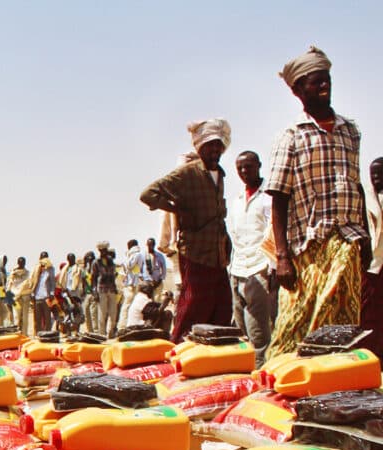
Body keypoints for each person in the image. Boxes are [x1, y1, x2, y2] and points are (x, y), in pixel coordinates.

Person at [265, 47, 370, 357]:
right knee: (297, 321)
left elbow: (356, 185)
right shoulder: (291, 136)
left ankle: (335, 383)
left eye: (327, 80)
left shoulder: (351, 131)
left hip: (348, 239)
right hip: (308, 247)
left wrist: (364, 235)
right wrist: (282, 255)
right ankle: (283, 376)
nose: (324, 86)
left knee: (343, 320)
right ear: (298, 90)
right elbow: (279, 198)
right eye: (316, 82)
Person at [141, 118, 233, 342]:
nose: (214, 150)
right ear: (199, 147)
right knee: (193, 306)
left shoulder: (220, 175)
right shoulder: (187, 173)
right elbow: (148, 194)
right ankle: (179, 351)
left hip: (218, 254)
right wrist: (176, 208)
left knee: (222, 308)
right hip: (195, 252)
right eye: (209, 145)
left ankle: (212, 356)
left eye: (217, 145)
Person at [227, 150, 276, 366]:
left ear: (259, 166)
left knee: (258, 331)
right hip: (237, 269)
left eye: (249, 166)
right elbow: (235, 236)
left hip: (259, 268)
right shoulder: (237, 200)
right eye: (240, 168)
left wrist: (272, 267)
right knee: (241, 330)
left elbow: (273, 233)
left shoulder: (268, 197)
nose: (244, 171)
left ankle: (260, 375)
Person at [362, 158, 383, 358]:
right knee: (370, 315)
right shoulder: (365, 198)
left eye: (380, 173)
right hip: (372, 265)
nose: (376, 178)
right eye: (373, 174)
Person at [117, 240, 147, 329]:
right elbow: (135, 270)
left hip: (131, 285)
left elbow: (130, 266)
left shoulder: (136, 255)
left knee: (126, 306)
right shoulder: (133, 255)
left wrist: (124, 263)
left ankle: (122, 326)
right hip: (131, 283)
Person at [94, 244, 119, 337]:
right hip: (102, 289)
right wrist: (95, 293)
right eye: (102, 250)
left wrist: (115, 288)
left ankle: (111, 332)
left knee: (113, 313)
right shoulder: (96, 262)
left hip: (112, 289)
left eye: (105, 250)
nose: (103, 252)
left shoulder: (110, 261)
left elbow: (113, 276)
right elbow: (94, 278)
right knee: (102, 313)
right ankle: (102, 334)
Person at [28, 252, 55, 334]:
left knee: (47, 318)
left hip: (46, 297)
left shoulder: (51, 269)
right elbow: (32, 282)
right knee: (37, 318)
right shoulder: (36, 269)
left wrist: (51, 293)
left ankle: (48, 334)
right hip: (37, 297)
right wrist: (32, 294)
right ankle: (38, 334)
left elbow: (52, 282)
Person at [7, 256, 32, 334]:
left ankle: (24, 334)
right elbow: (9, 286)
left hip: (24, 297)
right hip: (16, 298)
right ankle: (18, 333)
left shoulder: (27, 273)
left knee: (23, 317)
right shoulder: (12, 274)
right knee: (17, 317)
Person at [81, 251, 98, 333]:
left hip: (94, 294)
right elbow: (83, 282)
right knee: (87, 314)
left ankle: (96, 332)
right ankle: (90, 332)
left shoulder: (96, 268)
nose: (90, 259)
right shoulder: (85, 270)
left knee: (93, 314)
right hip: (87, 294)